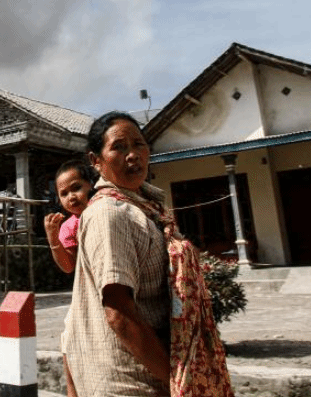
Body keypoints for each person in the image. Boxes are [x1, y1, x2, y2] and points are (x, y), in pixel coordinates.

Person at [63, 111, 233, 397]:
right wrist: (179, 381)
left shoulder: (146, 207)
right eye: (119, 147)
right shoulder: (109, 214)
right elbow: (119, 312)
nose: (133, 155)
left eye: (139, 144)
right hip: (132, 381)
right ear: (96, 161)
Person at [44, 160, 97, 397]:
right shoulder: (69, 227)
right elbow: (68, 266)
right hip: (88, 293)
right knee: (70, 346)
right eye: (63, 193)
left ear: (91, 185)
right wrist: (53, 237)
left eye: (76, 188)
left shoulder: (103, 210)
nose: (71, 197)